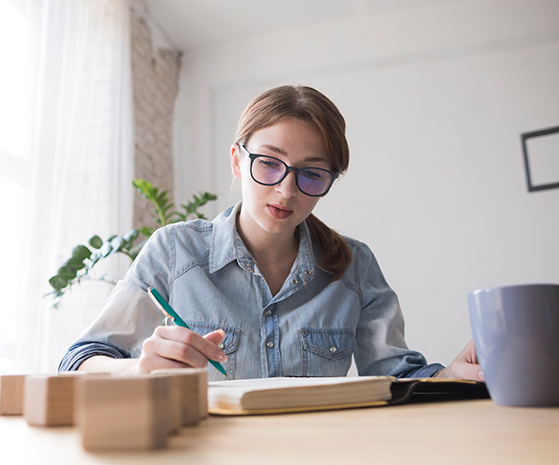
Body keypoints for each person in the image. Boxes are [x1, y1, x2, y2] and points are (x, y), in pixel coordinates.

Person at [58, 85, 483, 383]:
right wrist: (139, 369)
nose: (286, 190)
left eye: (312, 174)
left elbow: (398, 373)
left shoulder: (354, 265)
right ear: (238, 161)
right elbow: (79, 360)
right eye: (269, 163)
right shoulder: (174, 250)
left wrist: (451, 376)